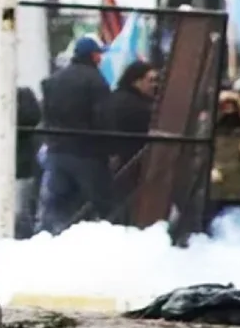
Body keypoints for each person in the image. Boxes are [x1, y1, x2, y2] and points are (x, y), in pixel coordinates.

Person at [36, 36, 113, 235]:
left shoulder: (53, 80)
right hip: (87, 153)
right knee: (100, 204)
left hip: (57, 152)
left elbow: (45, 115)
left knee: (58, 205)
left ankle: (53, 239)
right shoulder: (96, 81)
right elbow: (103, 118)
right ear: (94, 56)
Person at [0, 61, 44, 239]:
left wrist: (7, 109)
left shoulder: (24, 96)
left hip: (20, 165)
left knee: (18, 211)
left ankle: (20, 240)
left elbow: (32, 118)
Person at [97, 60, 157, 225]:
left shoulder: (111, 99)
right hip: (132, 162)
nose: (154, 85)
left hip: (110, 160)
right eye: (150, 80)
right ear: (137, 81)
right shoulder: (139, 107)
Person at [209, 90, 240, 226]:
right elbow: (198, 155)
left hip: (238, 186)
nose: (228, 110)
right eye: (224, 106)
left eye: (232, 106)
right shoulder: (208, 131)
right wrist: (209, 170)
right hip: (216, 186)